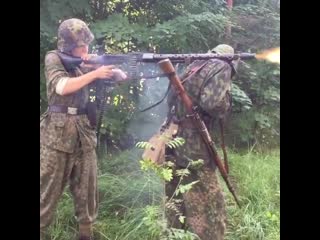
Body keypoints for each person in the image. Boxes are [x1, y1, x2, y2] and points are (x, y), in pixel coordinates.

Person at [40, 18, 127, 240]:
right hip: (57, 136)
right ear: (68, 45)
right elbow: (61, 86)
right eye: (81, 46)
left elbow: (121, 77)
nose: (85, 49)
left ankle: (86, 234)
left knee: (87, 191)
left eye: (87, 45)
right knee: (47, 191)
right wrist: (94, 73)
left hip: (84, 134)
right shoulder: (54, 58)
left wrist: (105, 68)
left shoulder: (83, 63)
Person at [164, 44, 238, 240]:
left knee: (175, 198)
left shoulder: (194, 64)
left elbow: (171, 98)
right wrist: (227, 101)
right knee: (209, 204)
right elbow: (212, 104)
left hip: (173, 140)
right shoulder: (222, 66)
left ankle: (175, 235)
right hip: (195, 146)